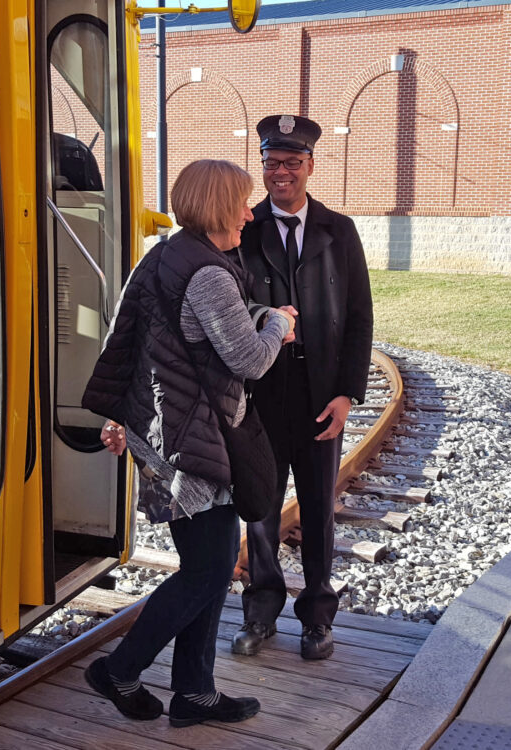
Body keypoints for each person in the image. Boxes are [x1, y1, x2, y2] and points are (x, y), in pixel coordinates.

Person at [81, 159, 296, 727]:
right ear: (222, 206)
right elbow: (249, 358)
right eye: (244, 203)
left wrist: (124, 418)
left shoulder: (166, 257)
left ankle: (195, 692)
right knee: (208, 568)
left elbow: (131, 341)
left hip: (168, 431)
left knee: (212, 560)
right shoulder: (207, 273)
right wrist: (277, 323)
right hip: (190, 439)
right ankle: (120, 670)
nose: (251, 213)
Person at [230, 115, 373, 661]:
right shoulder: (244, 228)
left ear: (311, 166)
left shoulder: (340, 230)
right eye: (271, 162)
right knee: (261, 508)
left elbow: (359, 318)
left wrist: (347, 394)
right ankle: (260, 613)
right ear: (262, 166)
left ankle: (317, 616)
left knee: (316, 509)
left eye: (292, 162)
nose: (281, 172)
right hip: (262, 397)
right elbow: (228, 303)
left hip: (320, 398)